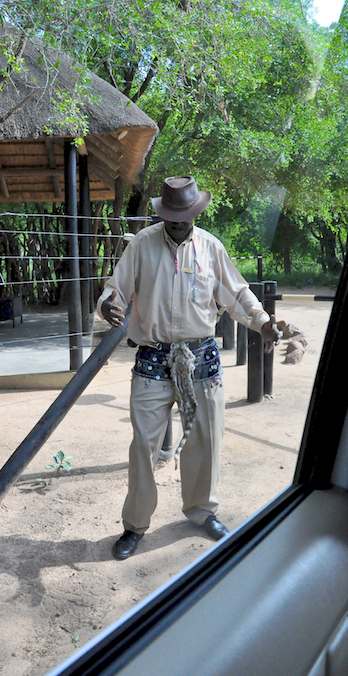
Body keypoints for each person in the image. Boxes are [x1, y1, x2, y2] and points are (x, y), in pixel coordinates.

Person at [98, 176, 281, 560]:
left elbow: (237, 293)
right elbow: (115, 286)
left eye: (184, 216)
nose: (178, 223)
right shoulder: (142, 245)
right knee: (144, 446)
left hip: (201, 357)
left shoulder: (211, 248)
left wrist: (262, 321)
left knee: (206, 441)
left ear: (195, 213)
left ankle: (201, 512)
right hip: (153, 358)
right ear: (163, 214)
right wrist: (106, 303)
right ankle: (135, 525)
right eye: (172, 217)